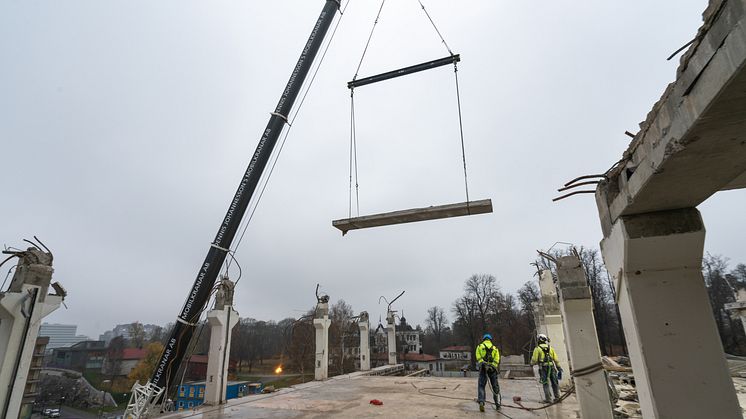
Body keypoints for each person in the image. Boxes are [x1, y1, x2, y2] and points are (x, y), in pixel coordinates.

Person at [531, 333, 563, 403]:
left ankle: (548, 399)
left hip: (543, 368)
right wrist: (558, 367)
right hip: (552, 367)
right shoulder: (551, 348)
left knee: (545, 383)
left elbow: (534, 359)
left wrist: (532, 364)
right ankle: (557, 397)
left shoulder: (537, 349)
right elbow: (556, 359)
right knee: (554, 382)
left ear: (539, 340)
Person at [475, 333, 501, 412]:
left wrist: (483, 363)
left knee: (481, 386)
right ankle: (497, 403)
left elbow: (478, 357)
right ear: (490, 340)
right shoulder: (495, 348)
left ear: (484, 339)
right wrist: (492, 365)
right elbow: (497, 359)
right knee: (495, 386)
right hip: (492, 370)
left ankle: (482, 402)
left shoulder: (479, 347)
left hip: (483, 369)